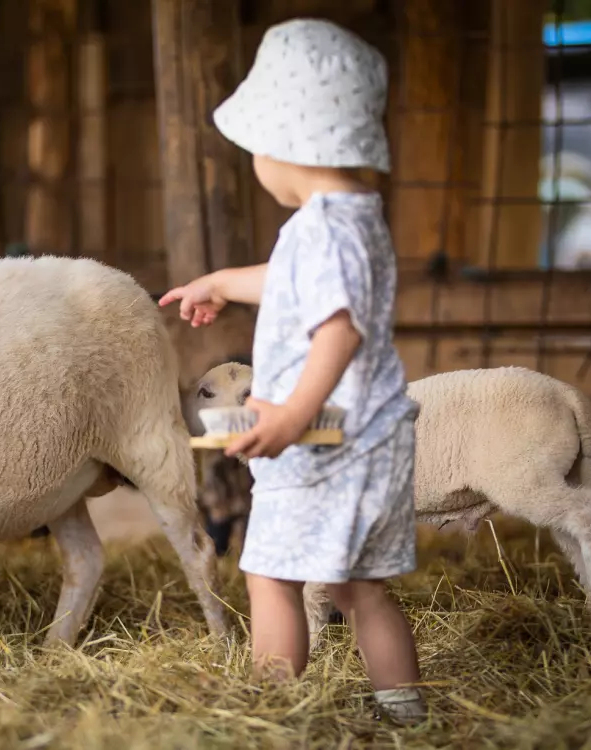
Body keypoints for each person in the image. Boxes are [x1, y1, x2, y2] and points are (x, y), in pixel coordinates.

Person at [158, 19, 427, 725]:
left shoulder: (321, 228)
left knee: (266, 574)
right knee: (359, 591)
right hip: (368, 440)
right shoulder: (356, 217)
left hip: (325, 444)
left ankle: (268, 711)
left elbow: (336, 331)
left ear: (285, 146)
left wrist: (290, 414)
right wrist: (220, 280)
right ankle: (407, 717)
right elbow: (292, 280)